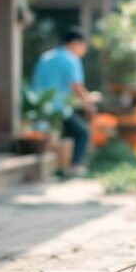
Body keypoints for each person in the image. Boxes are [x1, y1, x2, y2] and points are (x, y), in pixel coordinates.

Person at [31, 28, 94, 175]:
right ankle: (75, 166)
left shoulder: (45, 57)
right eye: (83, 46)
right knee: (82, 133)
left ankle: (60, 166)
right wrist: (89, 102)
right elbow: (77, 87)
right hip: (59, 109)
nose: (83, 51)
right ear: (74, 43)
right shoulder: (71, 59)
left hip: (38, 108)